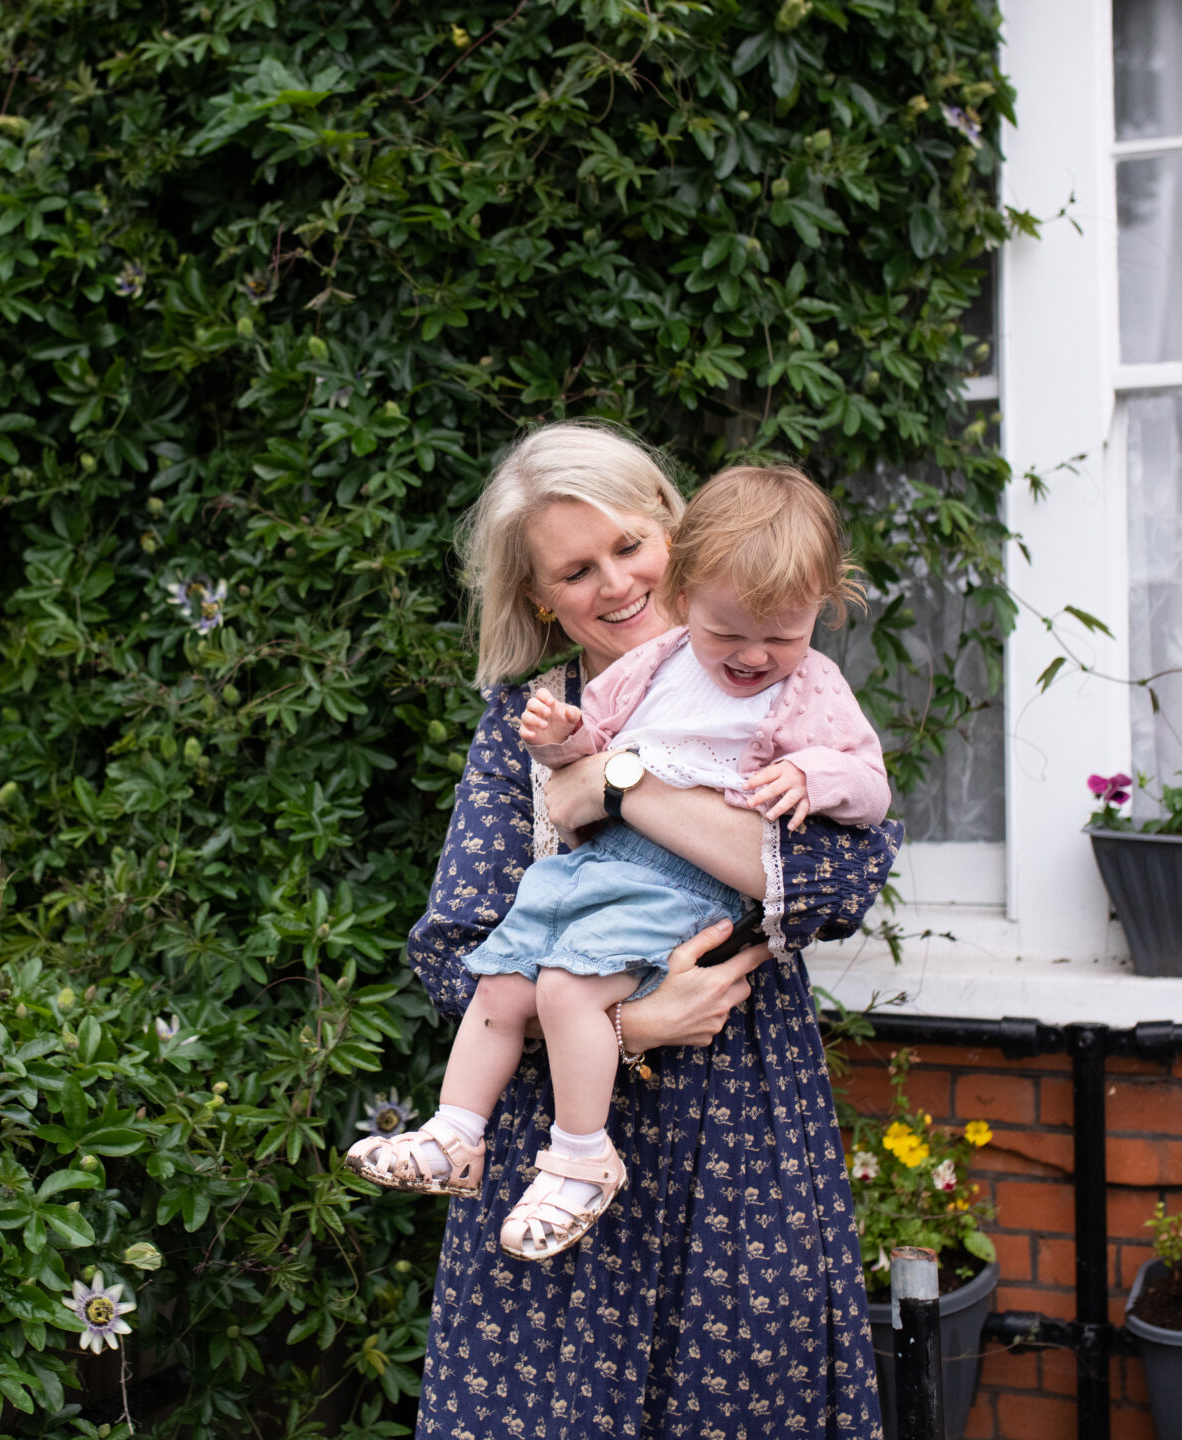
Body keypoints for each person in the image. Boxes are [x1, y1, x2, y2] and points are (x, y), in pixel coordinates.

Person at [395, 420, 900, 1438]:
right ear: (543, 598)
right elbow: (458, 955)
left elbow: (839, 877)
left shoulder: (781, 685)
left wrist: (620, 784)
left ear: (682, 533)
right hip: (557, 1137)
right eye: (576, 570)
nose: (616, 584)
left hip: (744, 1134)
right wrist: (637, 1027)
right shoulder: (526, 725)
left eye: (630, 546)